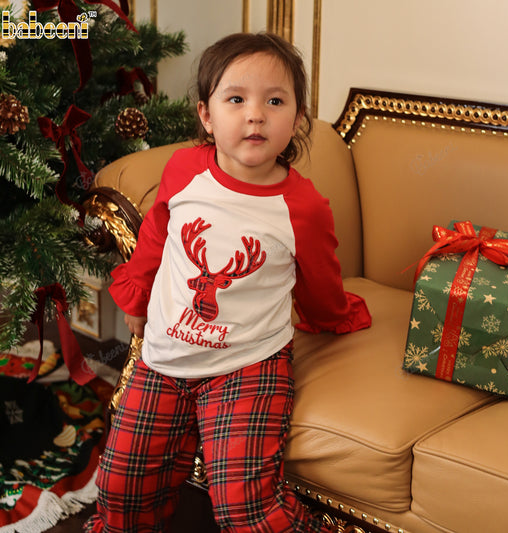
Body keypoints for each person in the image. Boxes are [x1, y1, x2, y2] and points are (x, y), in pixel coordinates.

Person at [84, 31, 371, 533]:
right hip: (163, 358)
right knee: (122, 491)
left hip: (248, 366)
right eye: (236, 99)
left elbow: (319, 280)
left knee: (245, 507)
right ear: (207, 115)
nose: (255, 115)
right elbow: (155, 237)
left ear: (297, 120)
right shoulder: (183, 170)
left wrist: (335, 316)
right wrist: (136, 296)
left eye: (274, 102)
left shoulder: (302, 207)